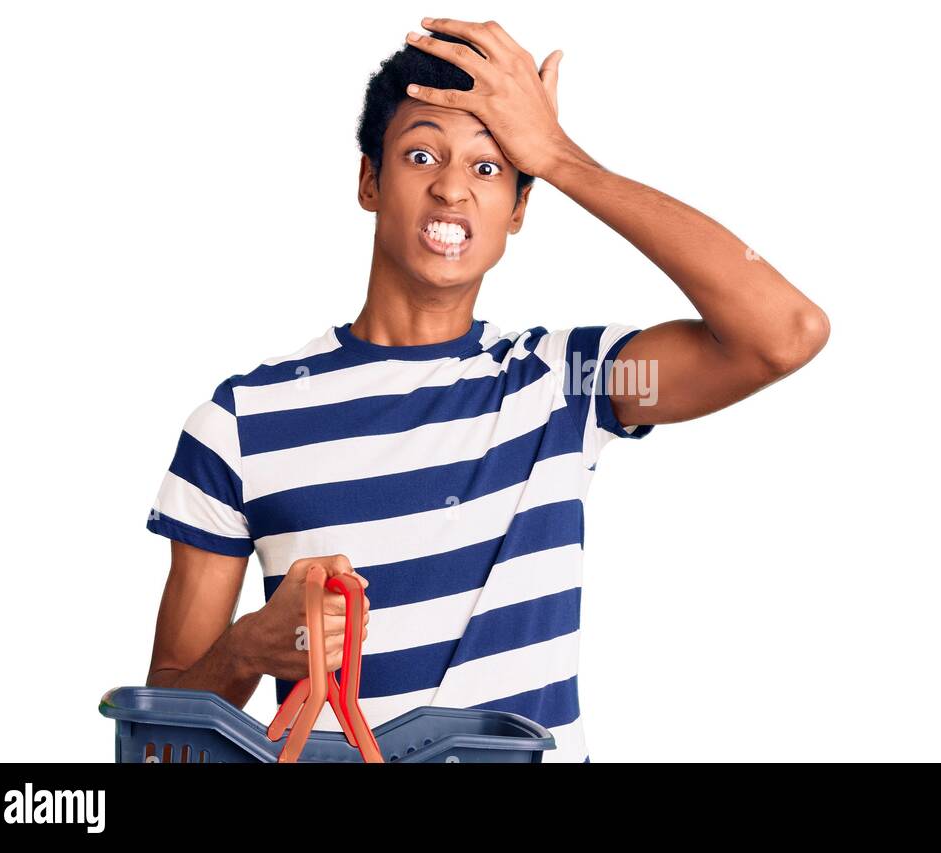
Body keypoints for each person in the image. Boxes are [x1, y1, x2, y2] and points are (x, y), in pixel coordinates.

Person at [144, 17, 830, 763]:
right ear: (370, 180)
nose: (450, 187)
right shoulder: (242, 424)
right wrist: (247, 649)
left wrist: (562, 159)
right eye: (419, 154)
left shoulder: (571, 387)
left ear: (520, 208)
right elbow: (159, 747)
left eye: (489, 168)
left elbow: (783, 333)